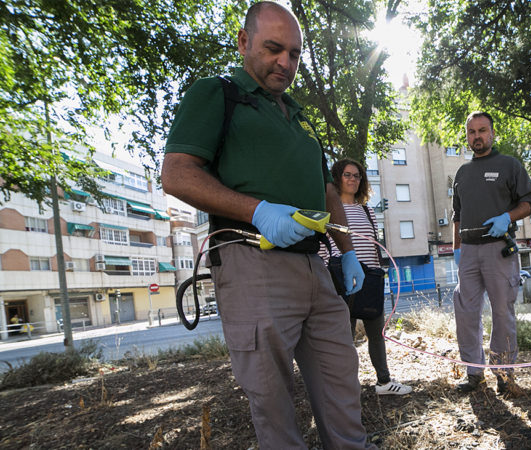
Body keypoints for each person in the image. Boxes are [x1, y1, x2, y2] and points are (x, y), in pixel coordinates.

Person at [161, 3, 374, 448]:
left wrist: (348, 250)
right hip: (251, 262)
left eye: (295, 54)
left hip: (315, 266)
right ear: (243, 42)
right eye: (274, 48)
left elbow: (328, 192)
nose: (286, 62)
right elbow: (177, 173)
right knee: (272, 401)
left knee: (341, 378)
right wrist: (258, 210)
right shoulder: (218, 94)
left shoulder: (299, 118)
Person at [451, 111, 531, 394]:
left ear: (492, 133)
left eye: (482, 130)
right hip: (468, 252)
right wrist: (456, 250)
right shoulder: (462, 173)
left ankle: (503, 373)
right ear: (467, 137)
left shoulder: (508, 165)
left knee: (502, 312)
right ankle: (474, 373)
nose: (477, 136)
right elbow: (457, 215)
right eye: (472, 132)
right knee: (465, 313)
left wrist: (507, 218)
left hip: (498, 249)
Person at [322, 159, 412, 396]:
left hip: (369, 281)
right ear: (337, 178)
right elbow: (323, 246)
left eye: (357, 176)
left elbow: (373, 247)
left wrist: (378, 272)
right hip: (341, 281)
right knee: (345, 338)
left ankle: (384, 382)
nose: (352, 179)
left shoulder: (367, 210)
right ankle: (346, 387)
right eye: (347, 175)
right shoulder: (329, 210)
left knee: (376, 333)